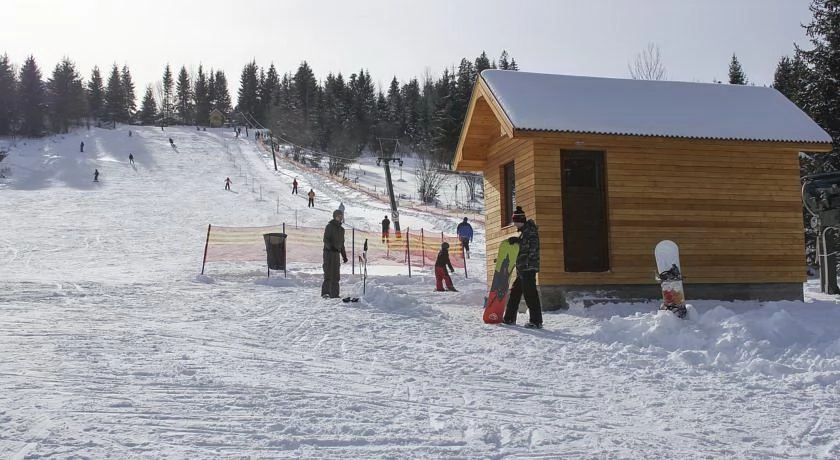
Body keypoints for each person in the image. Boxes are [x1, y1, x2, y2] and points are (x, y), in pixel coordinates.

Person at [502, 206, 542, 328]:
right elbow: (523, 246)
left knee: (530, 294)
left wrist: (518, 242)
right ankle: (509, 318)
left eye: (515, 221)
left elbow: (532, 249)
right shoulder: (525, 232)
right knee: (514, 292)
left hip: (528, 268)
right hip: (522, 269)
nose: (514, 224)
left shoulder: (531, 231)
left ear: (520, 220)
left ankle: (536, 321)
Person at [321, 209, 348, 298]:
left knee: (336, 275)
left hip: (336, 254)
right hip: (328, 253)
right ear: (334, 216)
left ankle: (335, 294)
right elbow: (326, 239)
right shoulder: (329, 226)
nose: (340, 218)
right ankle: (326, 293)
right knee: (328, 273)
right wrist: (330, 247)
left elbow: (342, 244)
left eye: (341, 216)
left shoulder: (342, 230)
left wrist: (344, 256)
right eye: (339, 216)